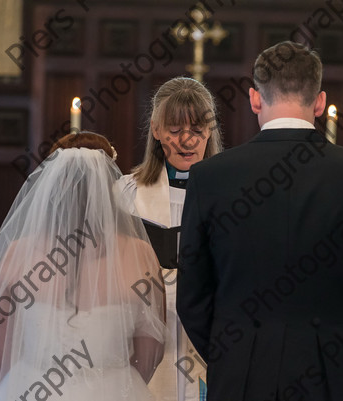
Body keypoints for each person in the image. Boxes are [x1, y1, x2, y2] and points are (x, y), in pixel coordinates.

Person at [177, 41, 343, 401]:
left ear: (255, 99)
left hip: (239, 372)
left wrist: (232, 350)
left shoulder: (209, 176)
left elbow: (192, 297)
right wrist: (339, 352)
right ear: (320, 101)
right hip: (333, 374)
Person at [0, 132, 166, 401]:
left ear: (52, 185)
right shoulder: (140, 254)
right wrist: (118, 384)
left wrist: (22, 380)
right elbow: (151, 348)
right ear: (110, 185)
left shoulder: (18, 252)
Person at [118, 77, 223, 401]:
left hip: (210, 345)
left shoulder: (233, 195)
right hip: (144, 344)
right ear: (156, 129)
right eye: (175, 130)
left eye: (197, 129)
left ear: (211, 131)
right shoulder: (127, 193)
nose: (187, 140)